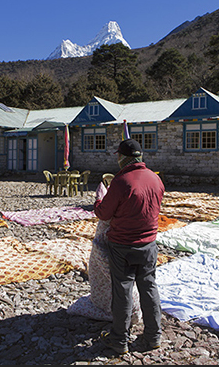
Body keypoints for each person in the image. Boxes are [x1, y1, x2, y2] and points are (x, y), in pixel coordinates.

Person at [93, 138, 165, 354]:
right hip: (149, 244)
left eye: (118, 156)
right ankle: (153, 336)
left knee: (122, 290)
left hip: (122, 244)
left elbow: (103, 213)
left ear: (122, 157)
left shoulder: (121, 181)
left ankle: (119, 339)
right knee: (149, 287)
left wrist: (98, 199)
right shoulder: (155, 179)